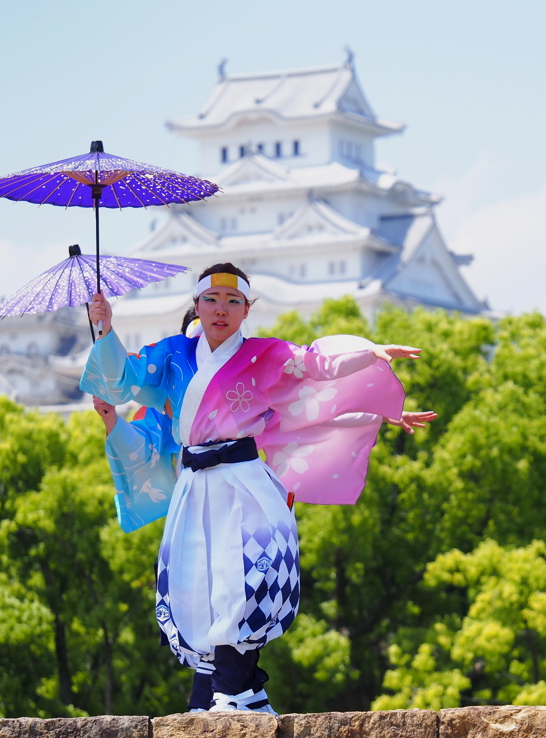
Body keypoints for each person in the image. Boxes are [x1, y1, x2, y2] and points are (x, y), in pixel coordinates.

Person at [81, 262, 426, 713]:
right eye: (211, 300)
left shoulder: (264, 354)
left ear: (247, 311)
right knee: (196, 587)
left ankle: (232, 693)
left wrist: (368, 353)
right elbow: (124, 376)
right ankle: (221, 695)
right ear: (197, 307)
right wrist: (105, 328)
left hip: (242, 483)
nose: (220, 310)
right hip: (194, 486)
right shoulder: (171, 354)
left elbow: (313, 363)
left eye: (233, 302)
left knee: (242, 581)